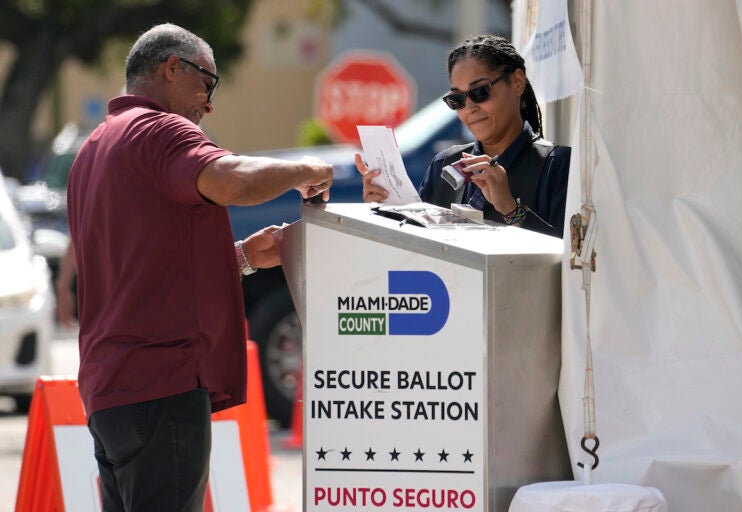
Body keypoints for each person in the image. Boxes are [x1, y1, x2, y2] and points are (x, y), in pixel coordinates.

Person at [66, 23, 333, 511]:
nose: (208, 105)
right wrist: (308, 169)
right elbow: (232, 180)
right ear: (172, 68)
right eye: (207, 84)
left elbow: (141, 272)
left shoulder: (94, 148)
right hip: (160, 385)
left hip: (110, 390)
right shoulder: (161, 129)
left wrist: (243, 257)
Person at [356, 34, 570, 238]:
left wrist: (510, 209)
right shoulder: (443, 165)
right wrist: (385, 207)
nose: (469, 108)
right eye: (457, 99)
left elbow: (569, 264)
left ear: (517, 82)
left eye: (479, 92)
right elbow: (418, 253)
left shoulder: (557, 165)